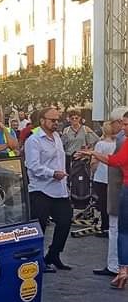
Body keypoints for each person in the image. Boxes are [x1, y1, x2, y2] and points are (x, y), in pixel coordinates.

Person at [80, 109, 128, 289]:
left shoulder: (124, 140)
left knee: (121, 231)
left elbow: (115, 161)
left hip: (122, 188)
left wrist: (92, 153)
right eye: (121, 123)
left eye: (125, 124)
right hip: (119, 187)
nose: (122, 128)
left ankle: (119, 268)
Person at [24, 106, 73, 272]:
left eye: (57, 120)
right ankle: (37, 260)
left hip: (59, 189)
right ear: (42, 120)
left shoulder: (57, 136)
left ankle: (53, 254)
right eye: (52, 120)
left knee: (65, 221)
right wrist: (52, 173)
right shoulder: (34, 140)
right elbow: (32, 166)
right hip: (41, 189)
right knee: (40, 226)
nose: (56, 123)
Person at [90, 121, 117, 237]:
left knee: (103, 203)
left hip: (101, 177)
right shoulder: (118, 143)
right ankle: (112, 226)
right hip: (113, 177)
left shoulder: (100, 144)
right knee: (112, 203)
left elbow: (94, 161)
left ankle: (104, 227)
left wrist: (92, 172)